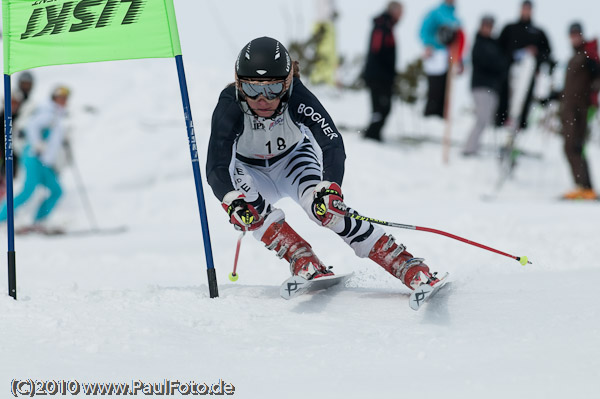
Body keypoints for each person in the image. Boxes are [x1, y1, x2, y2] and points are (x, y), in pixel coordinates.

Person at [207, 36, 443, 290]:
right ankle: (301, 257)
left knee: (323, 209)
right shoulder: (230, 104)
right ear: (240, 86)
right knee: (246, 208)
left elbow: (332, 142)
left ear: (286, 85)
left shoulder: (298, 97)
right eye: (252, 89)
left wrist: (331, 187)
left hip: (293, 161)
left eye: (273, 89)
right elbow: (216, 165)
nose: (262, 99)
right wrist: (231, 200)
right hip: (250, 170)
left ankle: (403, 263)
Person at [0, 86, 71, 224]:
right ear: (54, 98)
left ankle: (39, 220)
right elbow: (32, 126)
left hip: (44, 161)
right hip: (34, 157)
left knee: (57, 190)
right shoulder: (48, 111)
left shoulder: (58, 114)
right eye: (60, 98)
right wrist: (37, 143)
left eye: (64, 98)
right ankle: (2, 217)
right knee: (28, 191)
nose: (62, 101)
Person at [496, 0, 552, 128]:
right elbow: (499, 49)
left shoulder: (538, 32)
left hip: (528, 76)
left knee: (522, 102)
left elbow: (547, 53)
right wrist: (514, 56)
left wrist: (536, 55)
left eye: (528, 9)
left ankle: (519, 126)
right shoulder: (509, 29)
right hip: (508, 75)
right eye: (524, 8)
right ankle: (502, 121)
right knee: (506, 101)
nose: (526, 11)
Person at [559, 23, 599, 200]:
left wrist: (591, 94)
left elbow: (597, 76)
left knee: (573, 146)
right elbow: (569, 88)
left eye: (577, 34)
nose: (574, 37)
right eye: (572, 34)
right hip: (569, 107)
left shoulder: (586, 56)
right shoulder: (575, 57)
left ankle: (584, 186)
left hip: (579, 109)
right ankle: (585, 186)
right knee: (574, 146)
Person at [462, 16, 508, 156]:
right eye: (485, 26)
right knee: (481, 118)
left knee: (486, 119)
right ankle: (469, 149)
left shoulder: (495, 45)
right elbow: (487, 63)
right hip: (480, 86)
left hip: (493, 87)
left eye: (490, 26)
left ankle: (474, 147)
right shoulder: (478, 44)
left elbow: (501, 62)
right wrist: (498, 65)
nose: (488, 29)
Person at [362, 1, 403, 142]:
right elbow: (376, 50)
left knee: (384, 107)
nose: (402, 17)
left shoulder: (387, 26)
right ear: (393, 11)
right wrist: (384, 71)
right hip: (378, 76)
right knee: (380, 107)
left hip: (383, 76)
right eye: (400, 13)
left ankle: (374, 135)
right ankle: (371, 136)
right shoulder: (382, 26)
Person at [419, 0, 463, 118]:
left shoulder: (454, 17)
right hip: (436, 54)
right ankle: (431, 116)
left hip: (449, 56)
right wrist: (428, 44)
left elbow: (460, 39)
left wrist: (461, 59)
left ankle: (441, 116)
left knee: (446, 88)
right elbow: (423, 31)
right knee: (435, 88)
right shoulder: (435, 13)